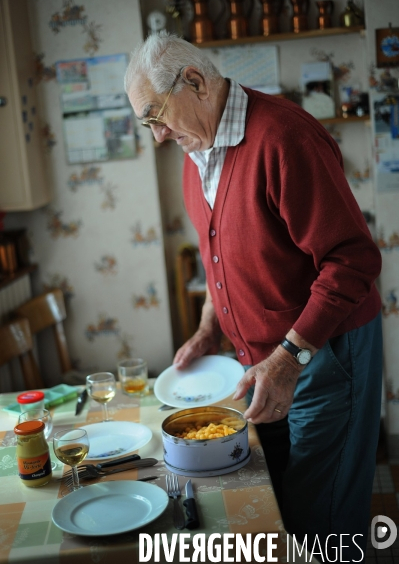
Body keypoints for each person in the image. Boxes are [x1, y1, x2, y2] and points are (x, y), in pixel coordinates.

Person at [125, 32, 383, 562]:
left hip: (325, 356)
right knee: (283, 505)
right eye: (146, 123)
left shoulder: (285, 137)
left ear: (193, 81)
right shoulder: (196, 153)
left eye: (156, 115)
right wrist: (206, 325)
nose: (156, 136)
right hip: (265, 366)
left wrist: (288, 358)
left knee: (323, 516)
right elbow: (218, 259)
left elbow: (353, 260)